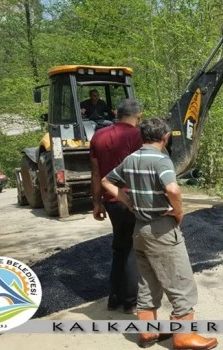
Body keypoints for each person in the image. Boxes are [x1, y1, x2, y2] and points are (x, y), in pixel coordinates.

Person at [101, 117, 218, 350]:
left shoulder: (130, 159)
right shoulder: (162, 160)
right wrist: (179, 211)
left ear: (142, 137)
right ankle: (184, 337)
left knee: (147, 282)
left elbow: (106, 181)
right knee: (181, 282)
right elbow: (172, 188)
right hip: (161, 229)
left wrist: (129, 202)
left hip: (140, 229)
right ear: (165, 137)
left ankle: (148, 334)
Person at [90, 99, 143, 314]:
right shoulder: (137, 136)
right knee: (132, 249)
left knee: (119, 247)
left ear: (116, 113)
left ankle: (114, 298)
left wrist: (96, 202)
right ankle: (130, 301)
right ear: (138, 116)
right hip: (132, 200)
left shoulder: (98, 136)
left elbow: (95, 173)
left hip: (110, 200)